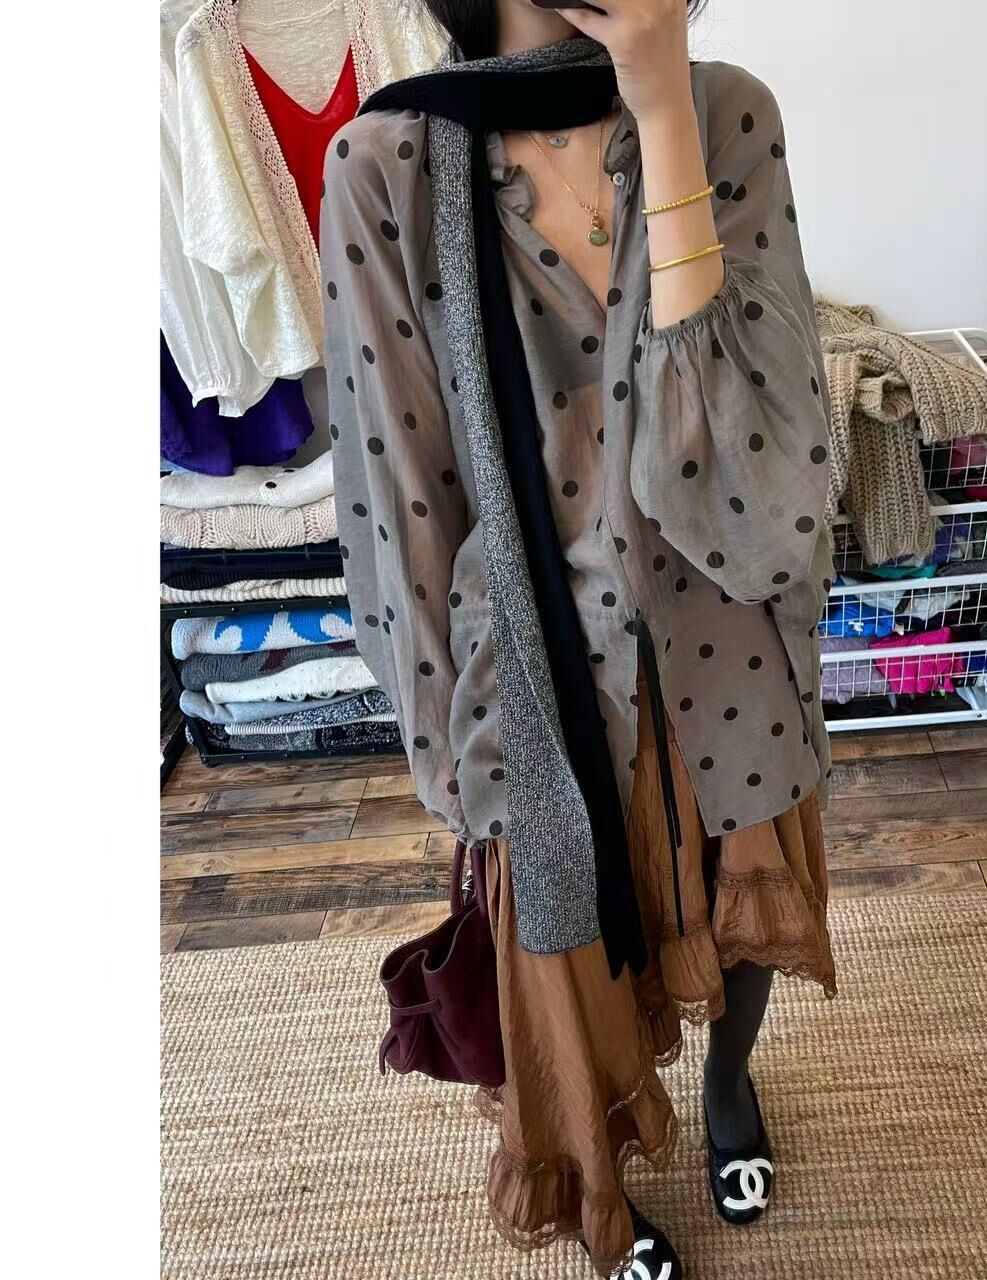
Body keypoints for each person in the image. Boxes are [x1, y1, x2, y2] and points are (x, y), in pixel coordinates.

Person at [321, 2, 837, 1274]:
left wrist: (657, 104)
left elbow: (755, 451)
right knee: (554, 962)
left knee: (740, 897)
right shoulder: (386, 164)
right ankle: (605, 1187)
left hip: (723, 611)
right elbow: (401, 489)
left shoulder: (724, 112)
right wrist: (445, 737)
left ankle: (727, 1082)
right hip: (533, 657)